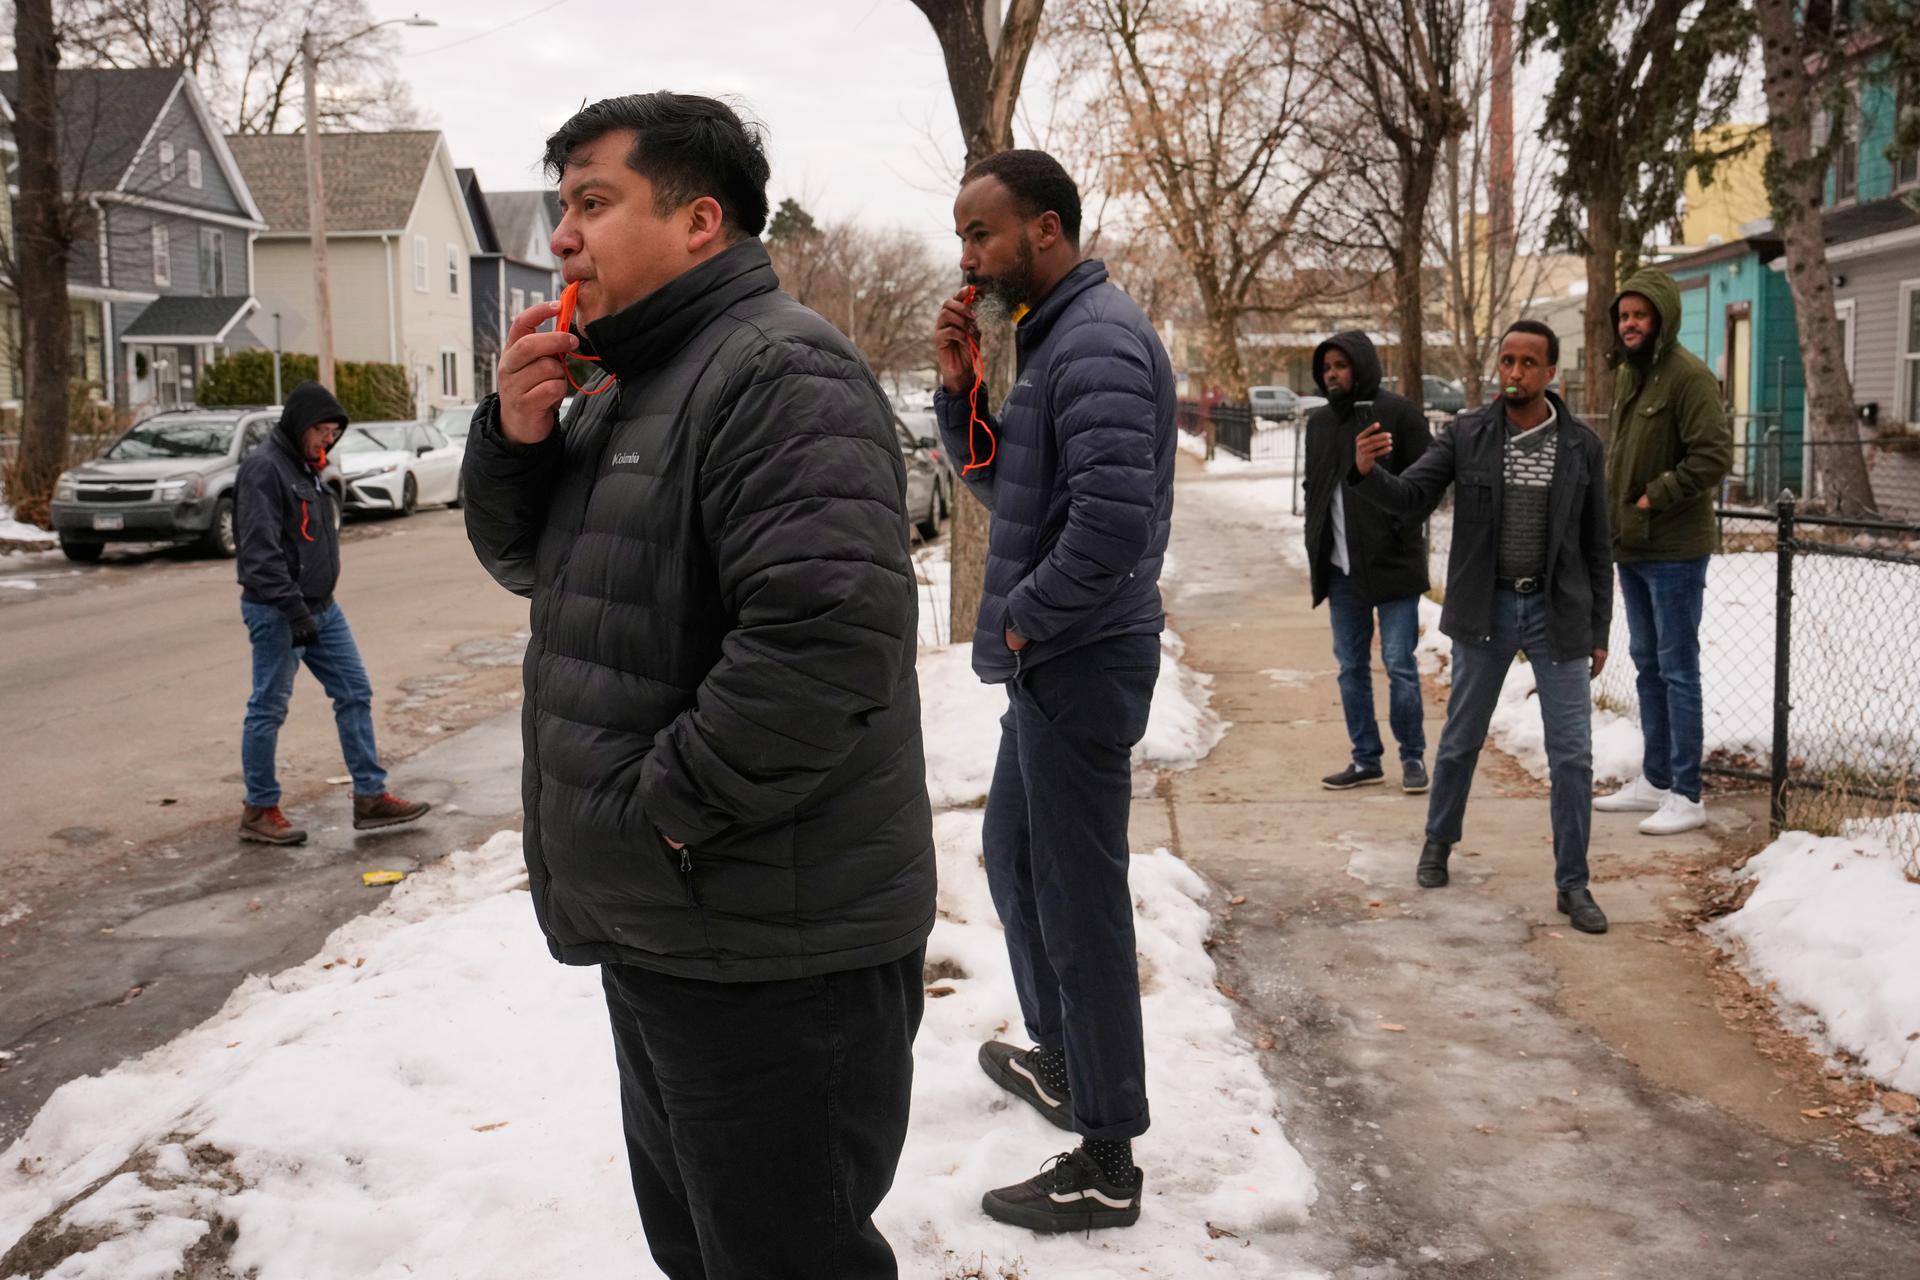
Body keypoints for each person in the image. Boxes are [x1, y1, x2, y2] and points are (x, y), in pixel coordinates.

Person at [462, 93, 934, 1280]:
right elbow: (540, 566)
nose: (562, 235)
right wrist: (517, 436)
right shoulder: (626, 382)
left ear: (698, 222)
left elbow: (827, 645)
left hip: (772, 946)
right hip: (678, 928)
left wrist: (655, 815)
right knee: (707, 1250)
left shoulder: (778, 370)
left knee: (787, 1256)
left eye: (593, 202)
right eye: (562, 205)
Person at [931, 149, 1176, 1232]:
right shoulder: (1052, 339)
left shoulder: (1100, 340)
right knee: (1015, 855)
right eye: (962, 237)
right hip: (1055, 656)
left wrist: (1024, 613)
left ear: (1045, 228)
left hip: (1078, 657)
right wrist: (956, 393)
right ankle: (1066, 1060)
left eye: (981, 233)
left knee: (1080, 901)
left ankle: (1107, 1156)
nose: (968, 257)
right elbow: (1009, 482)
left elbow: (1114, 533)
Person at [1348, 321, 1614, 935]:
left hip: (1558, 615)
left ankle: (1573, 883)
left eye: (1527, 363)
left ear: (1551, 374)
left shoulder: (1582, 448)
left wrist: (1599, 627)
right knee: (1463, 738)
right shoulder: (1468, 434)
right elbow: (1413, 497)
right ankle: (1438, 843)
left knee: (1572, 756)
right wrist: (1366, 474)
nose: (1515, 373)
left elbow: (1598, 547)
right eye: (1507, 361)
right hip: (1484, 610)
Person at [234, 381, 429, 845]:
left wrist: (312, 607)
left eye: (334, 431)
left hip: (322, 609)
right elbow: (259, 555)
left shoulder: (307, 467)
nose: (328, 438)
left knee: (354, 691)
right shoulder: (265, 469)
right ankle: (259, 809)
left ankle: (370, 796)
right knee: (268, 707)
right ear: (300, 425)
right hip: (279, 611)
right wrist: (294, 610)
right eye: (321, 429)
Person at [1593, 269, 1733, 836]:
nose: (1629, 324)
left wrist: (1656, 496)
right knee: (1648, 667)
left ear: (1662, 319)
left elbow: (1713, 455)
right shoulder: (1631, 377)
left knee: (1677, 670)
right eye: (1623, 316)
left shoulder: (1688, 378)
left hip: (1675, 548)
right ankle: (1654, 780)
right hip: (1635, 546)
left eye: (1639, 315)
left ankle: (1687, 793)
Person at [1302, 332, 1433, 793]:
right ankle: (1365, 758)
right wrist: (1316, 541)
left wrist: (1397, 531)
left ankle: (1413, 756)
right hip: (1341, 571)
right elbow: (1313, 487)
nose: (1332, 374)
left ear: (1360, 366)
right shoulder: (1318, 424)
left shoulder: (1398, 413)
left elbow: (1428, 483)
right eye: (1326, 367)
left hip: (1393, 565)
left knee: (1399, 664)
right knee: (1350, 667)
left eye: (1340, 365)